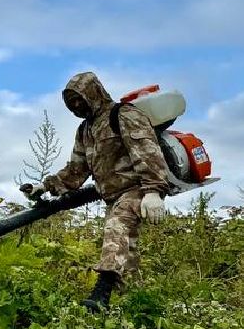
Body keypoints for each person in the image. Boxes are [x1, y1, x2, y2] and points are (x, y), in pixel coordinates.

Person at [20, 72, 171, 311]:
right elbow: (75, 170)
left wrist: (153, 192)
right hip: (112, 196)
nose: (76, 106)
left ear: (93, 93)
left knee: (116, 229)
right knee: (126, 253)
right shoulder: (85, 131)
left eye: (79, 99)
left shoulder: (123, 115)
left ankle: (99, 297)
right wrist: (44, 186)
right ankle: (138, 307)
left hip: (136, 190)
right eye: (71, 103)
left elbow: (147, 151)